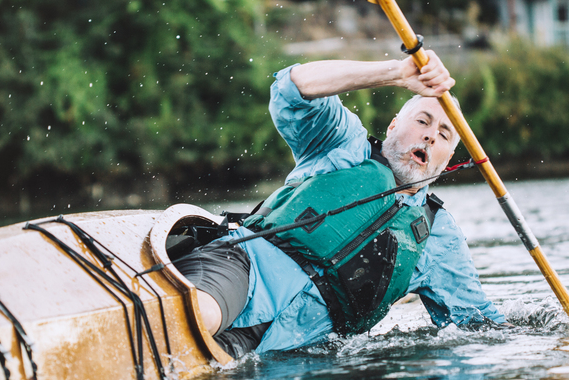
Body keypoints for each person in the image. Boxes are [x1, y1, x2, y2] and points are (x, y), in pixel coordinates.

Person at [176, 50, 506, 358]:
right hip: (245, 266)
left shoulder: (440, 235)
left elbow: (477, 322)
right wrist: (397, 73)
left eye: (445, 135)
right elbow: (293, 86)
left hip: (295, 341)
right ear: (394, 125)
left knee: (212, 364)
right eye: (422, 121)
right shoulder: (342, 143)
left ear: (448, 158)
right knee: (201, 317)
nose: (430, 136)